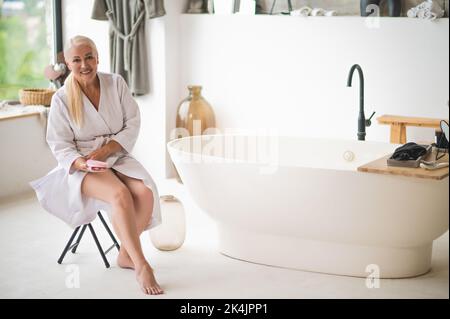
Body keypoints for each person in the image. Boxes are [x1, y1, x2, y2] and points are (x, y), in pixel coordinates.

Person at [29, 35, 163, 295]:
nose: (84, 64)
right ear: (68, 64)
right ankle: (141, 264)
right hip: (84, 166)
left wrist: (107, 150)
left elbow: (132, 122)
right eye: (76, 59)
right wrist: (82, 161)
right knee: (120, 194)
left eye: (89, 56)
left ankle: (125, 254)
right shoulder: (61, 99)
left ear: (98, 57)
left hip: (116, 155)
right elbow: (59, 143)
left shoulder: (116, 83)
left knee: (146, 192)